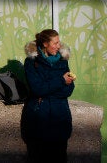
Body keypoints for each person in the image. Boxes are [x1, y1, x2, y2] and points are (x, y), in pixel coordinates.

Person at [21, 29, 75, 163]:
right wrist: (61, 81)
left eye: (59, 42)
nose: (59, 46)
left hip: (60, 115)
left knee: (60, 157)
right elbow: (37, 89)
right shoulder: (32, 62)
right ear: (45, 43)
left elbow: (69, 90)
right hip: (39, 115)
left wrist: (48, 88)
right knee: (38, 156)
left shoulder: (63, 61)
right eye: (55, 43)